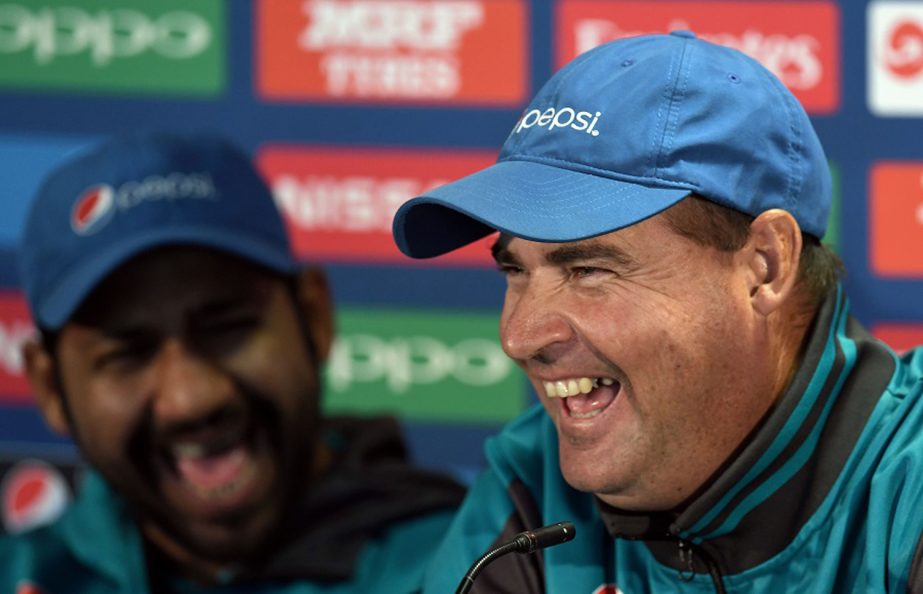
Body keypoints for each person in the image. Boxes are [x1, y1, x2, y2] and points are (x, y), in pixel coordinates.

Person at [392, 31, 923, 593]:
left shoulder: (907, 487)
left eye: (588, 271)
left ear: (764, 266)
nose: (519, 337)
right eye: (515, 271)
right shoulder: (530, 485)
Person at [2, 132, 465, 593]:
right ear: (49, 386)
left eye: (227, 328)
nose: (190, 399)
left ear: (313, 316)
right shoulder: (23, 574)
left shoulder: (472, 565)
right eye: (128, 353)